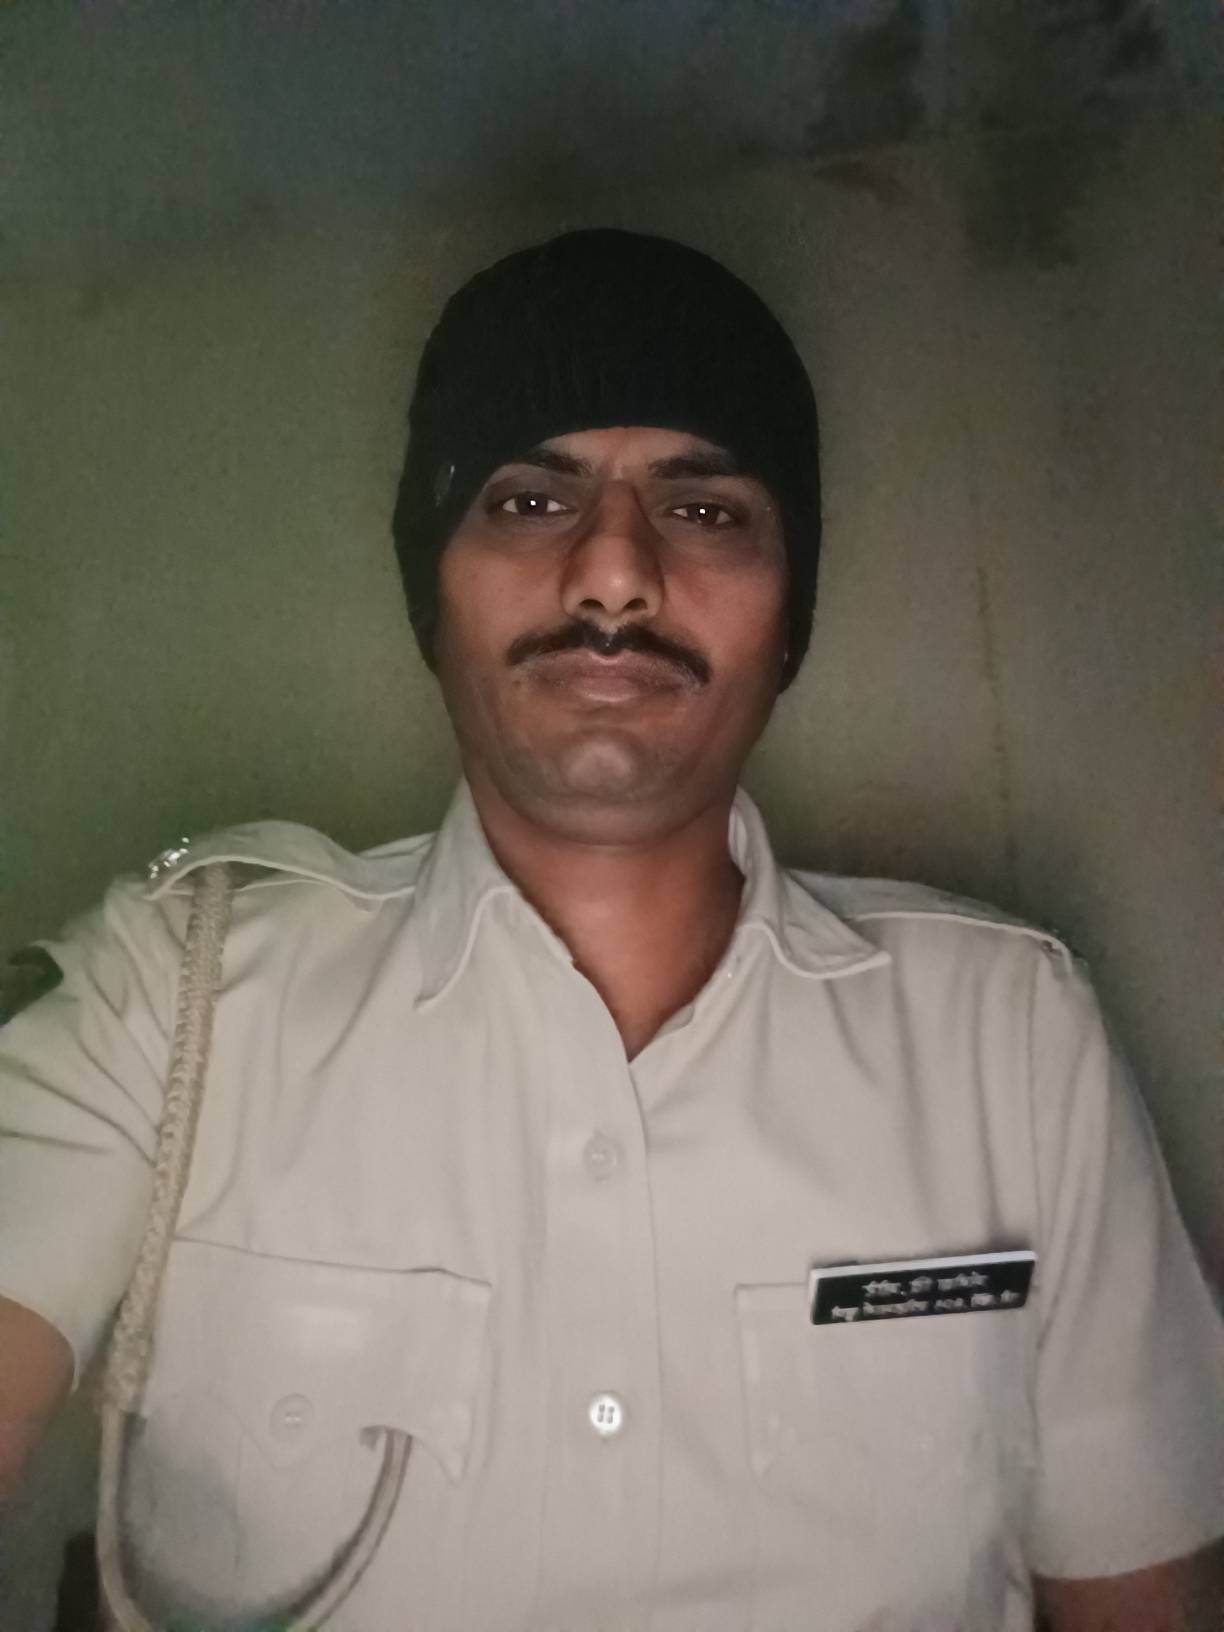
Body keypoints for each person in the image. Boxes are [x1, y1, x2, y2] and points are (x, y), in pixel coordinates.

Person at [1, 228, 1221, 1632]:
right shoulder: (178, 997)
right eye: (530, 500)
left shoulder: (1011, 1038)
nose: (615, 577)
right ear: (431, 588)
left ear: (790, 614)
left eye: (706, 509)